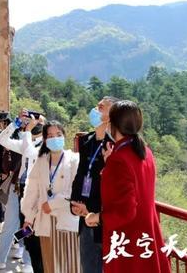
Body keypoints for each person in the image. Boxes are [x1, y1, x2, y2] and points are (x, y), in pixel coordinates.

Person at [84, 101, 170, 273]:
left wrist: (96, 218)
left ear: (112, 124)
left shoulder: (120, 158)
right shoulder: (144, 151)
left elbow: (125, 211)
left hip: (129, 240)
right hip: (147, 233)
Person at [0, 110, 44, 272]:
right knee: (10, 225)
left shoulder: (46, 146)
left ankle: (27, 261)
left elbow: (31, 153)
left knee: (28, 227)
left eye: (36, 122)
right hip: (16, 188)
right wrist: (16, 123)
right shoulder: (25, 141)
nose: (32, 124)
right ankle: (0, 259)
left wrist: (27, 131)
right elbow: (3, 140)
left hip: (34, 193)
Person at [21, 121, 81, 273]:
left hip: (66, 219)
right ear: (45, 139)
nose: (55, 139)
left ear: (64, 136)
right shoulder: (41, 161)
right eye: (51, 136)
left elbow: (75, 190)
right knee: (50, 264)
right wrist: (28, 217)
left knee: (70, 264)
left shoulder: (74, 159)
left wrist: (52, 204)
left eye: (58, 135)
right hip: (45, 221)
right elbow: (32, 191)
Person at [70, 96, 118, 273]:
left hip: (103, 218)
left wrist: (94, 212)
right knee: (88, 267)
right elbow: (81, 175)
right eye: (97, 105)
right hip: (84, 217)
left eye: (102, 107)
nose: (96, 110)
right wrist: (74, 203)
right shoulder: (86, 141)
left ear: (114, 115)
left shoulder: (115, 145)